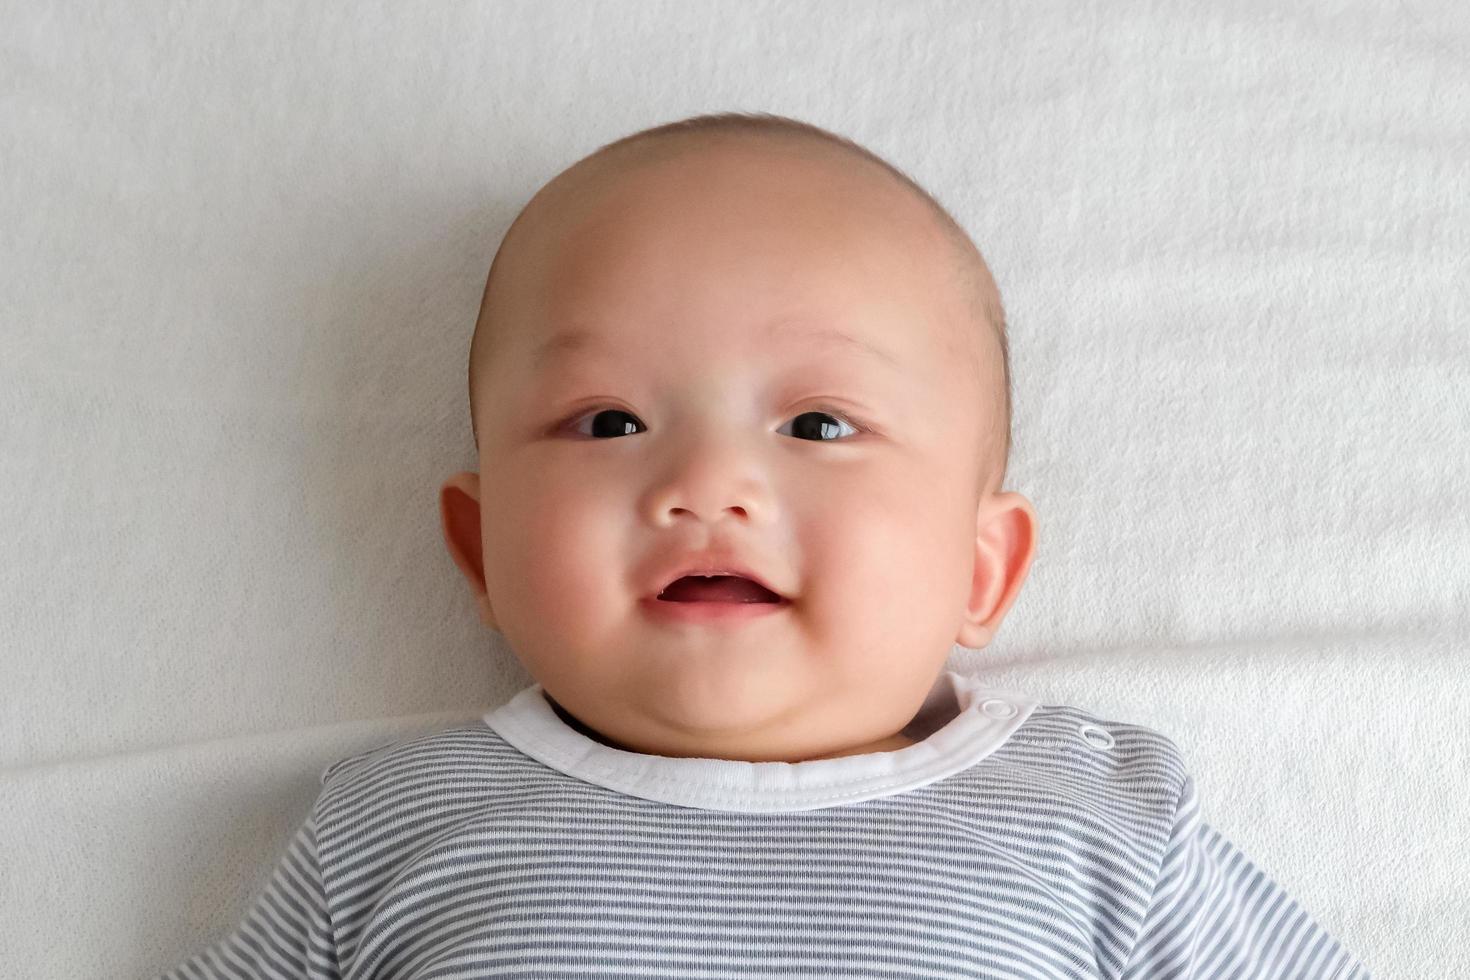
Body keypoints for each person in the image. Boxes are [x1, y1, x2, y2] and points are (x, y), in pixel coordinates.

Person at [158, 111, 1369, 979]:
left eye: (819, 423)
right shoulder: (395, 825)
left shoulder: (1093, 823)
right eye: (610, 420)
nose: (706, 484)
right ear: (480, 550)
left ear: (980, 567)